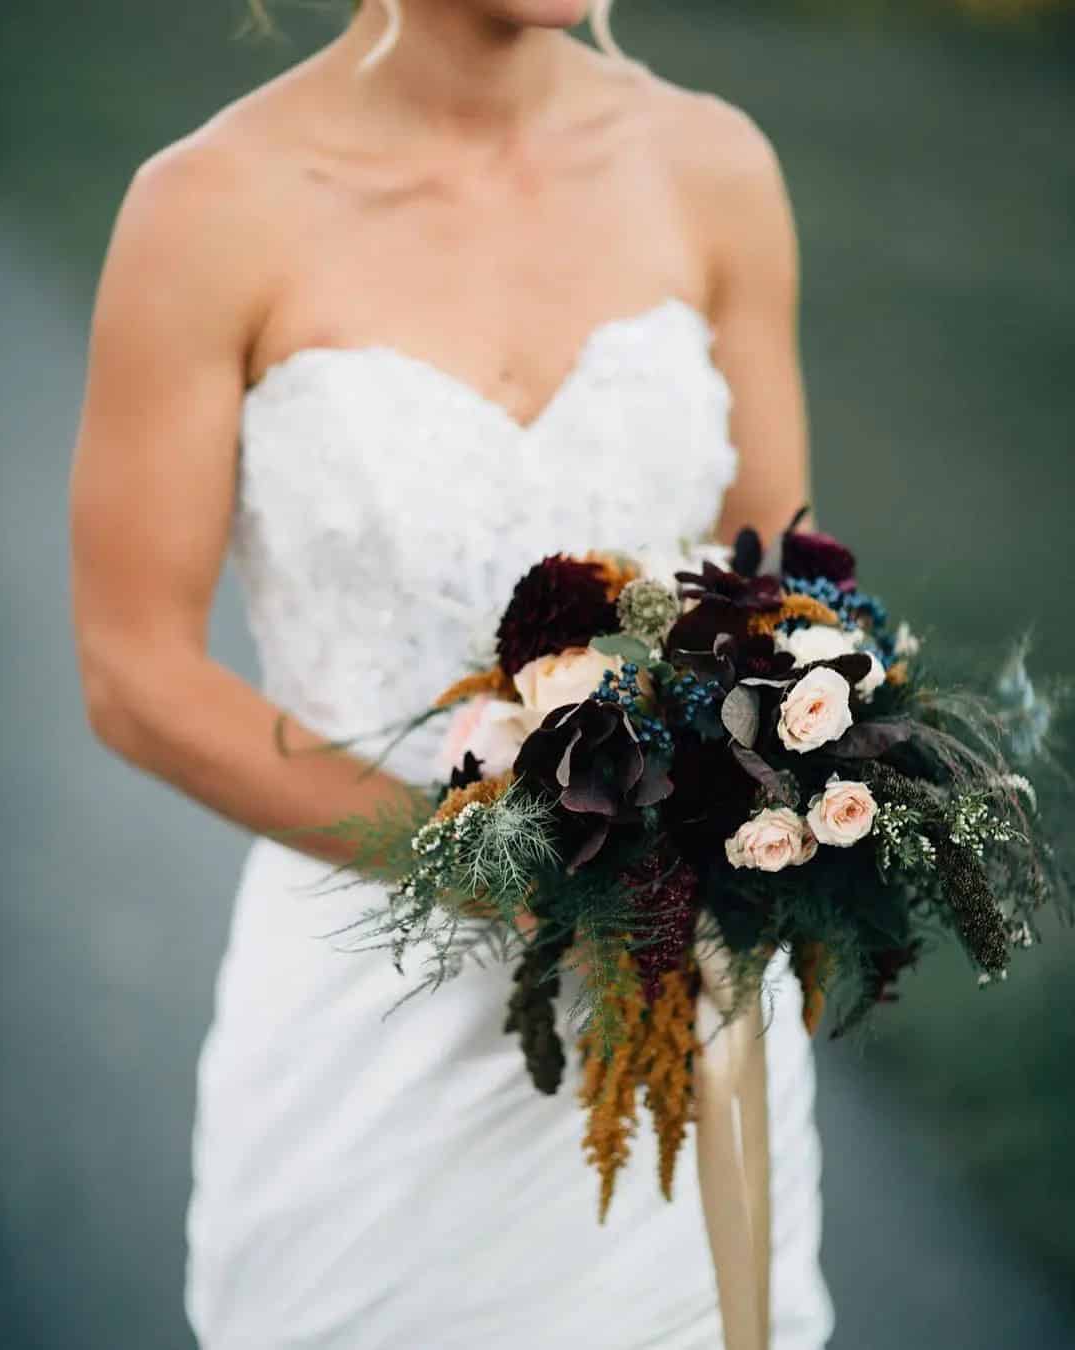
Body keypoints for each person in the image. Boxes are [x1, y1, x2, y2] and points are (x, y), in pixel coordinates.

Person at [68, 1, 835, 1345]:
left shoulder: (717, 168)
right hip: (373, 1038)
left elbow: (789, 589)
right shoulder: (206, 210)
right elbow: (135, 670)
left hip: (679, 1017)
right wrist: (483, 863)